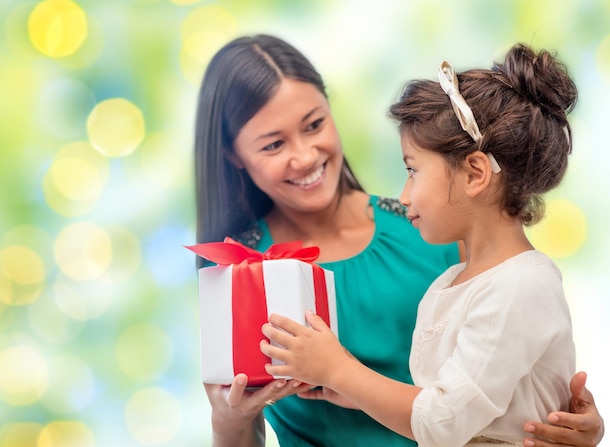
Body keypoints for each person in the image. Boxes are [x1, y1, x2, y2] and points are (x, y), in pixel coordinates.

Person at [194, 34, 604, 447]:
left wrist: (571, 424)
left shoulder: (436, 227)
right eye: (274, 144)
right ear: (234, 155)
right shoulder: (241, 272)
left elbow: (513, 366)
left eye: (314, 124)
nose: (304, 156)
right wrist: (227, 422)